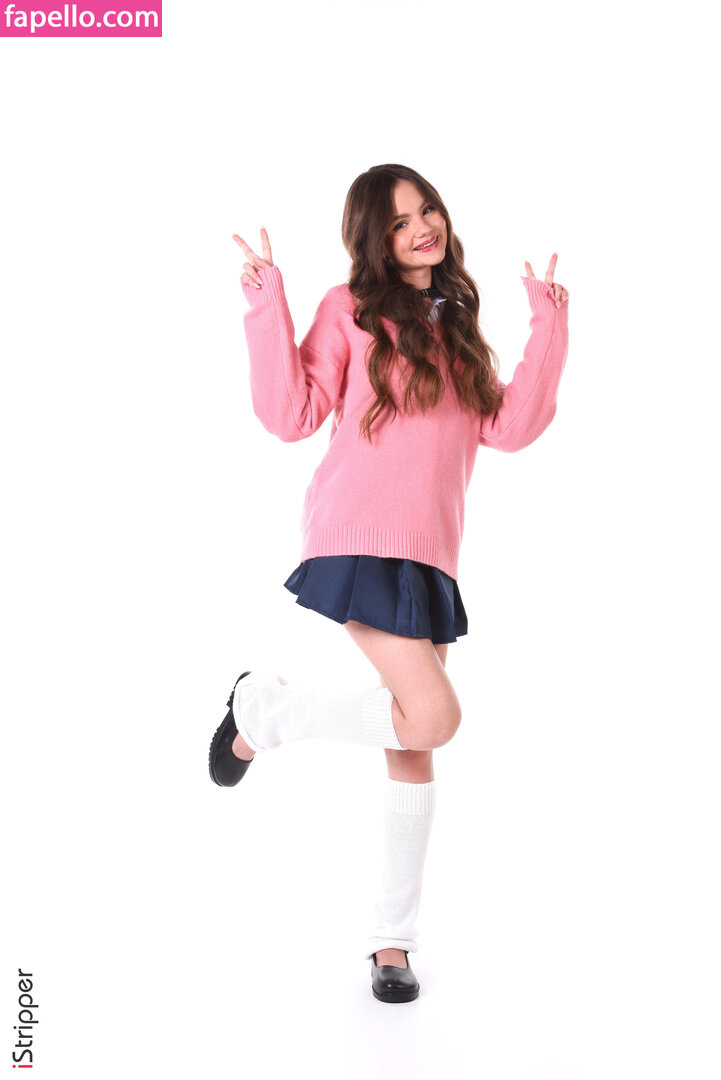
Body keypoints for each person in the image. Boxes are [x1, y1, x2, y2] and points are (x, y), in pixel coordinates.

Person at [208, 163, 570, 1003]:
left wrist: (549, 323)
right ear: (375, 237)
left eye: (426, 210)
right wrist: (266, 302)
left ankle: (390, 943)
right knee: (432, 715)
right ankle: (264, 711)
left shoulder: (457, 326)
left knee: (411, 745)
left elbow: (511, 427)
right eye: (400, 220)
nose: (420, 228)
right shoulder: (349, 309)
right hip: (356, 538)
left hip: (432, 553)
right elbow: (290, 414)